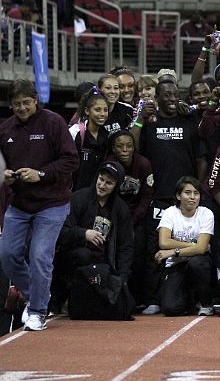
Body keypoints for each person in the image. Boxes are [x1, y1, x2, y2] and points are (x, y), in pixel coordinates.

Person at [0, 78, 79, 331]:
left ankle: (37, 312)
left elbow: (71, 160)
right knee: (7, 255)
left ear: (36, 100)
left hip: (52, 203)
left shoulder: (53, 122)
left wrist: (41, 174)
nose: (22, 108)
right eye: (16, 104)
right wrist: (6, 175)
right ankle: (35, 295)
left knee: (39, 256)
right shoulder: (6, 129)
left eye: (26, 103)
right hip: (20, 203)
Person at [132, 79, 208, 315]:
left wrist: (198, 190)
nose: (173, 99)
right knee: (153, 248)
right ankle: (153, 297)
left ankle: (197, 296)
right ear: (157, 98)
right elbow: (133, 148)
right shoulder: (150, 122)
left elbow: (200, 159)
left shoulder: (189, 120)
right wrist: (140, 120)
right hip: (160, 196)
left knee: (195, 247)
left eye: (176, 95)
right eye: (167, 96)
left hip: (187, 199)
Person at [51, 162, 134, 317]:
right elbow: (59, 233)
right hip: (74, 261)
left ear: (116, 186)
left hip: (103, 265)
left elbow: (126, 247)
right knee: (84, 254)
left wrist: (123, 278)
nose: (102, 185)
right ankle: (65, 297)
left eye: (109, 183)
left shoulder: (120, 209)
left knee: (126, 305)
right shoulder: (78, 199)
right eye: (101, 179)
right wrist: (83, 233)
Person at [104, 130, 153, 307]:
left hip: (137, 215)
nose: (125, 150)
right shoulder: (109, 164)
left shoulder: (144, 163)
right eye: (120, 146)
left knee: (138, 253)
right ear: (113, 149)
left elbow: (147, 195)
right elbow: (105, 193)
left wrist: (132, 222)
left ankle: (138, 299)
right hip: (113, 214)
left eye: (129, 146)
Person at [153, 176, 215, 316]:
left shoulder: (206, 214)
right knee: (170, 309)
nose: (192, 197)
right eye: (187, 193)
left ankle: (206, 304)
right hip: (176, 265)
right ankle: (190, 300)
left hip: (199, 262)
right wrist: (192, 244)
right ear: (178, 195)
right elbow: (163, 242)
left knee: (196, 263)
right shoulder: (170, 212)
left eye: (196, 193)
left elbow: (201, 249)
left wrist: (173, 251)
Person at [69, 88, 110, 192]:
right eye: (97, 110)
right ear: (87, 111)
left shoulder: (106, 134)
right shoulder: (75, 132)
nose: (102, 114)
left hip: (95, 193)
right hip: (74, 193)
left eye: (105, 110)